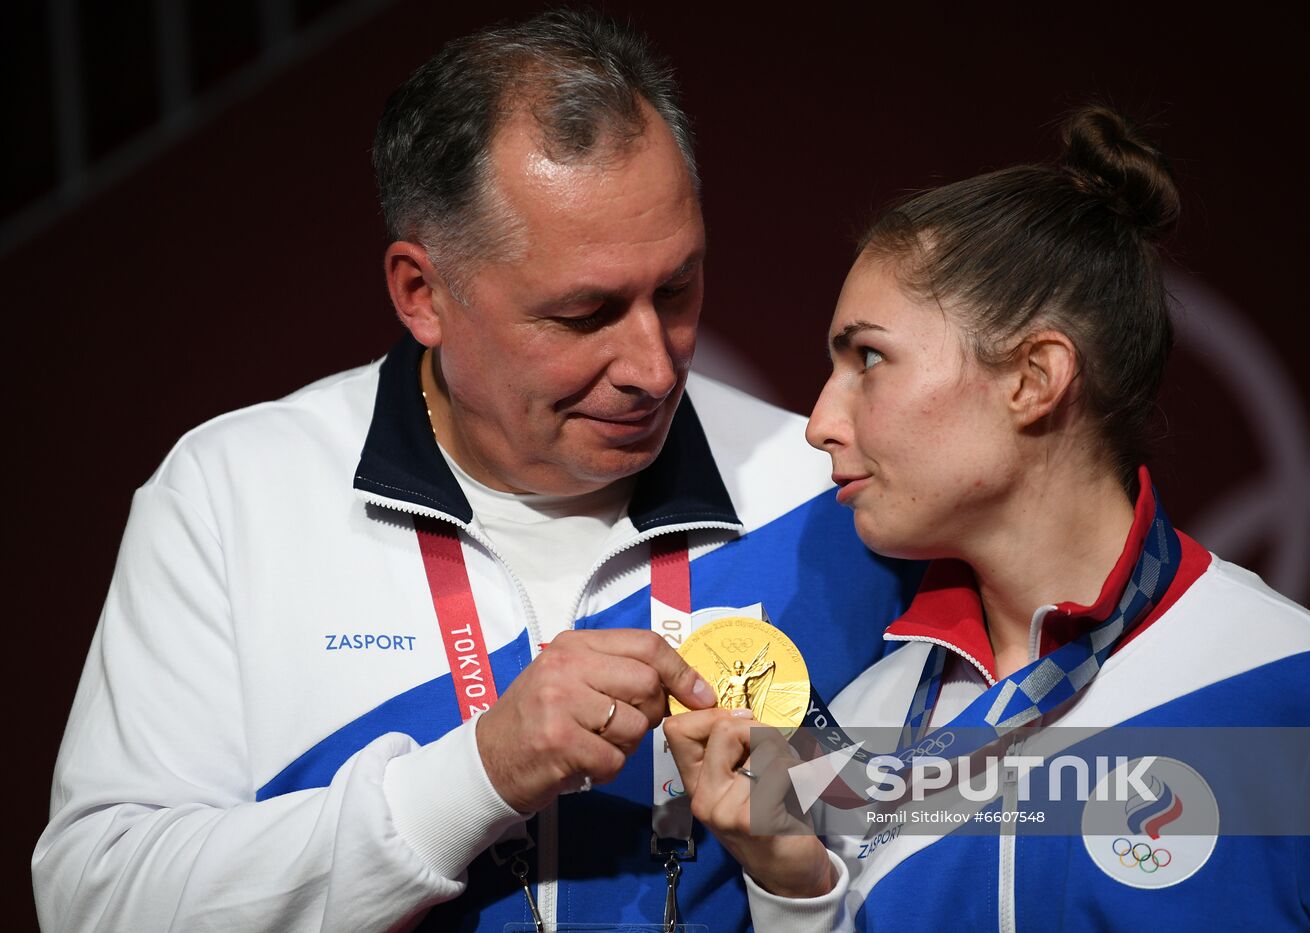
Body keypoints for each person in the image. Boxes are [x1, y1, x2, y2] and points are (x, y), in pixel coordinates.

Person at [32, 10, 923, 931]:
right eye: (585, 313)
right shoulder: (232, 496)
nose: (654, 367)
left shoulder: (821, 494)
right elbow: (95, 898)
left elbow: (971, 861)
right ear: (422, 293)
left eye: (677, 289)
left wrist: (796, 867)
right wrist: (474, 777)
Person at [666, 105, 1310, 930]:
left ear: (1034, 378)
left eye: (868, 358)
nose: (820, 422)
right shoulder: (862, 720)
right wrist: (793, 893)